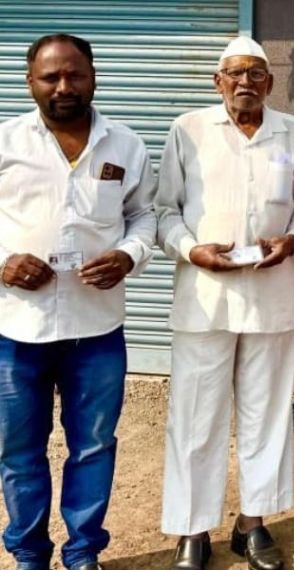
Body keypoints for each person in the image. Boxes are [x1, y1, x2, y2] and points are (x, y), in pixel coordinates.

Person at [155, 36, 294, 570]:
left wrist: (293, 240)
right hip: (204, 299)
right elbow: (164, 213)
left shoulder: (291, 132)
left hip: (271, 297)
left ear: (270, 83)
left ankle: (253, 522)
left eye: (255, 74)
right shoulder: (188, 129)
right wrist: (192, 250)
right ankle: (193, 529)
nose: (245, 82)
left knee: (267, 413)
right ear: (218, 82)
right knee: (196, 417)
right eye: (235, 73)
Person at [0, 33, 157, 570]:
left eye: (75, 75)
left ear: (93, 77)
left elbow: (144, 216)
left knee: (93, 446)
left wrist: (128, 256)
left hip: (97, 330)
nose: (64, 86)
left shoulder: (125, 145)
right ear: (30, 82)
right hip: (17, 328)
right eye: (51, 76)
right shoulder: (7, 142)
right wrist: (3, 262)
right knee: (19, 449)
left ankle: (83, 551)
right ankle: (29, 554)